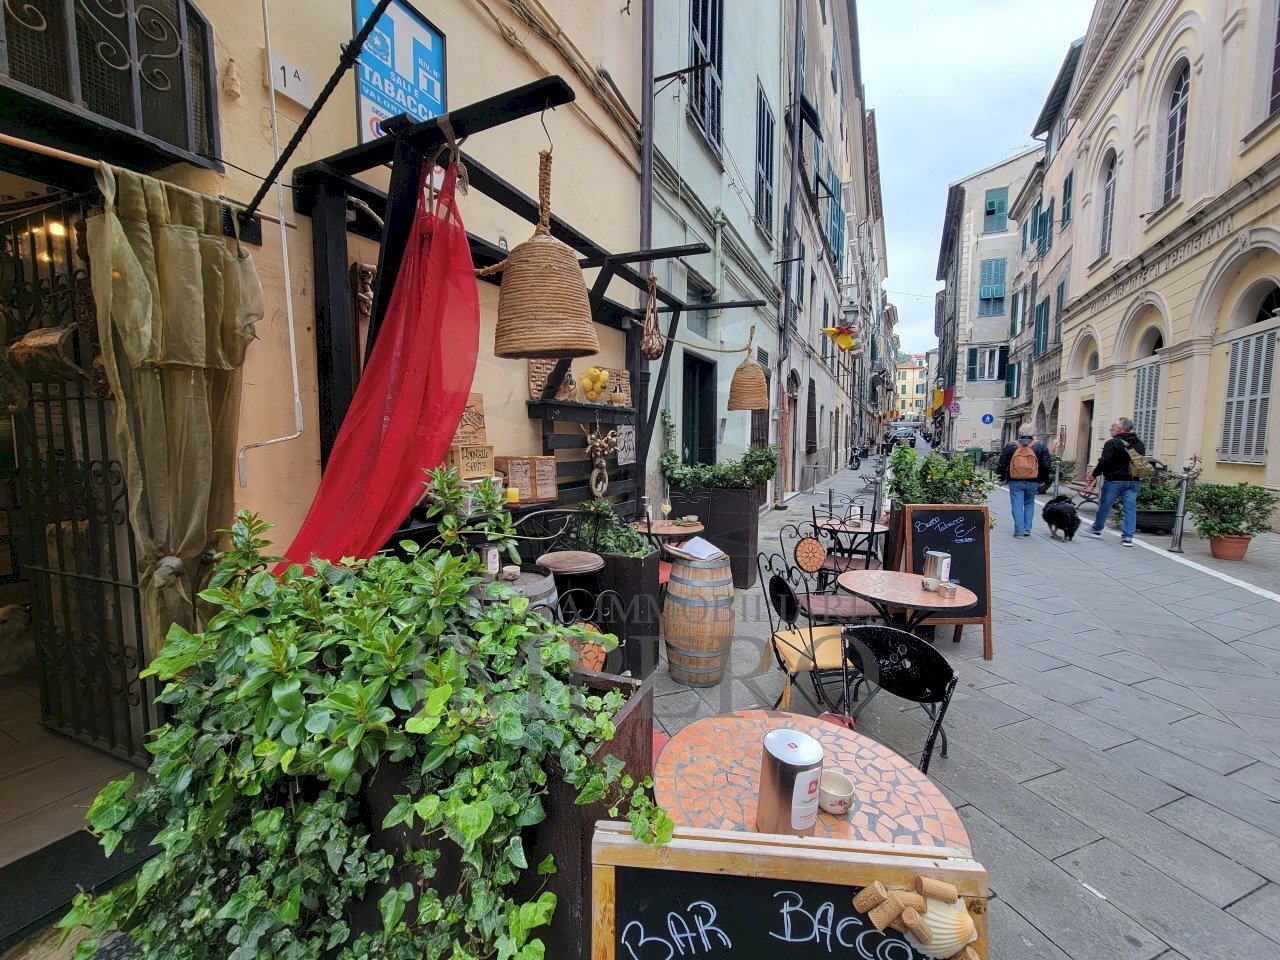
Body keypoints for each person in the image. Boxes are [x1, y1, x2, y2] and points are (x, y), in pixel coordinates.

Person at [1086, 417, 1144, 546]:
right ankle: (1128, 537)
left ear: (1119, 428)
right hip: (1133, 481)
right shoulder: (1139, 443)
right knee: (1130, 508)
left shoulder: (1112, 443)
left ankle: (1096, 529)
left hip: (1114, 480)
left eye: (1112, 426)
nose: (1110, 429)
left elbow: (1104, 461)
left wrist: (1094, 475)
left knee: (1105, 506)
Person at [996, 424, 1051, 538]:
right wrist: (1043, 480)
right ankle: (1027, 529)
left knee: (1017, 505)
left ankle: (1019, 531)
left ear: (1020, 433)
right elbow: (1046, 464)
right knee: (1030, 504)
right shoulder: (1040, 446)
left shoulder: (1011, 445)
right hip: (1033, 480)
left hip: (1015, 480)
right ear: (1033, 434)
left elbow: (1002, 463)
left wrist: (1000, 477)